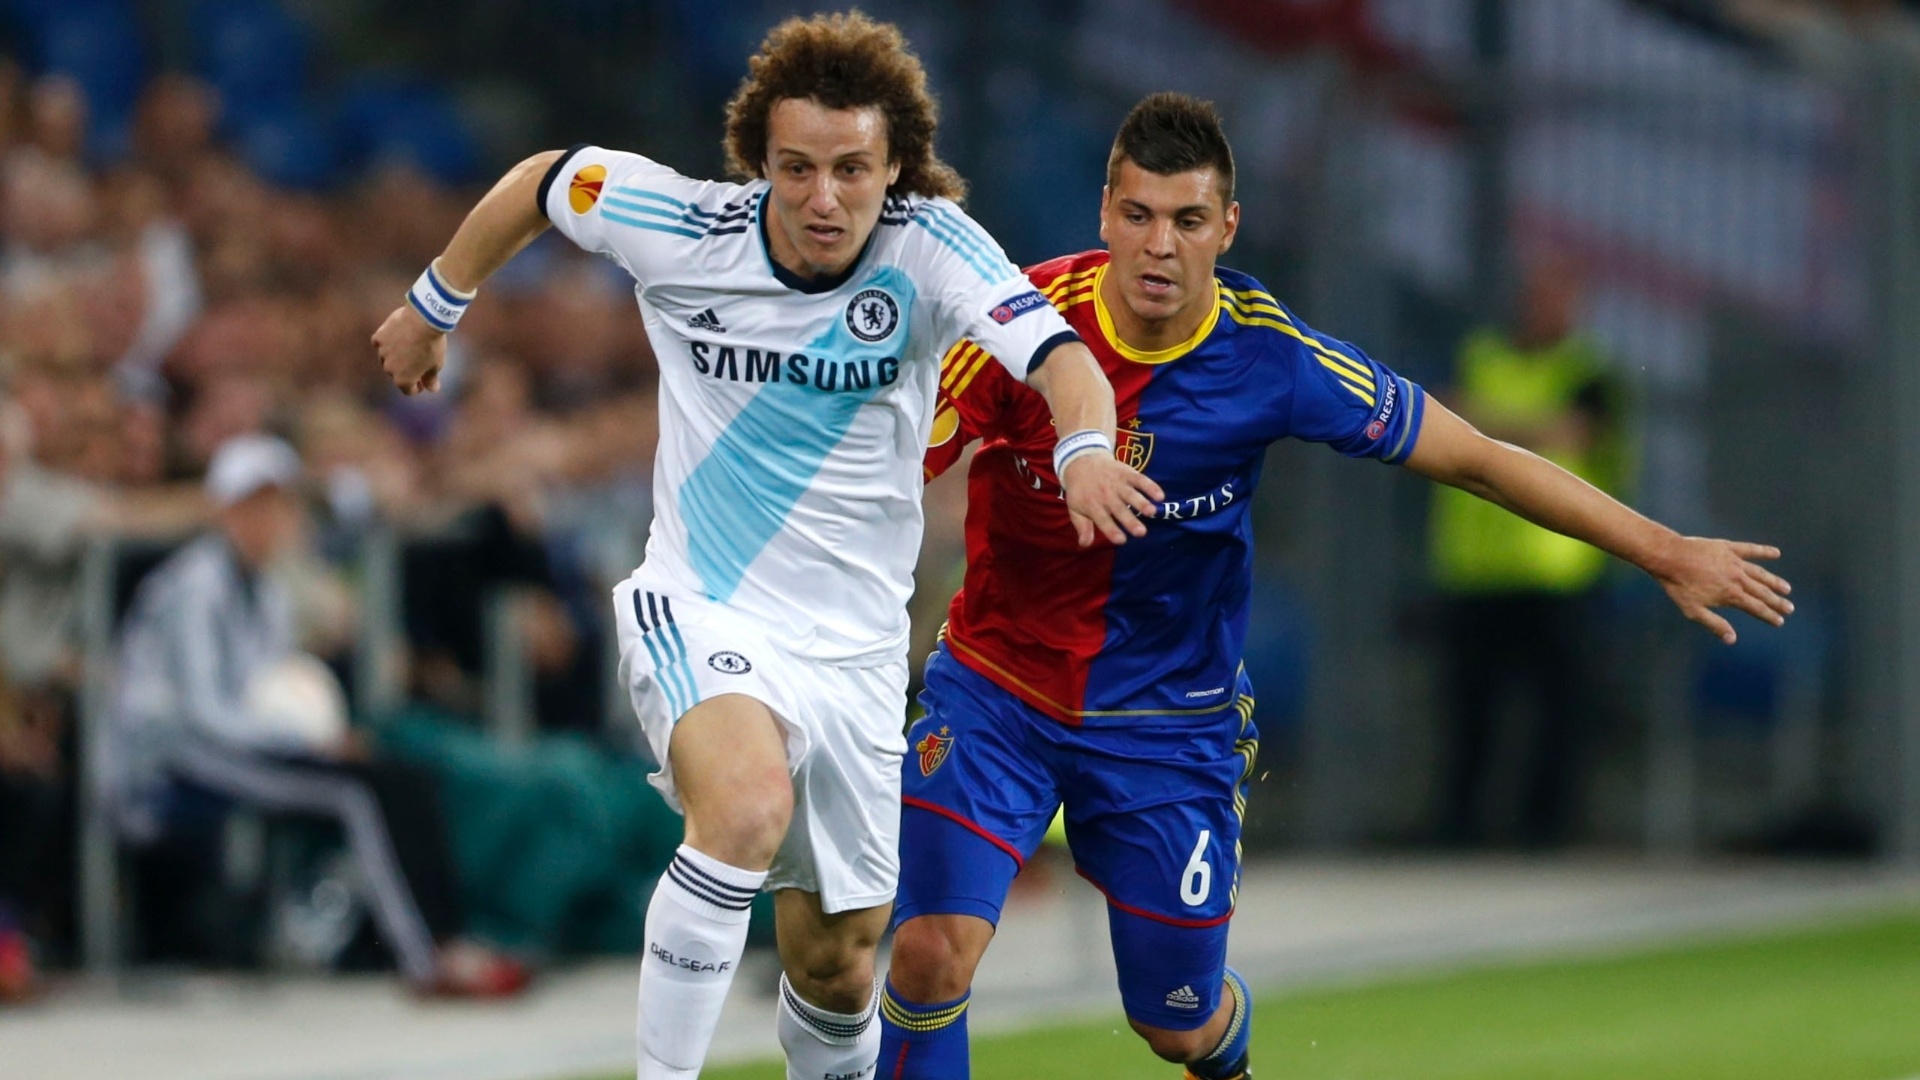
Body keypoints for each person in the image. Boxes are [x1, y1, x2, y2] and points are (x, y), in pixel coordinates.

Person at [877, 93, 1793, 1080]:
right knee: (929, 953)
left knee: (1177, 1023)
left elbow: (1477, 458)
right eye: (1137, 215)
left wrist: (1664, 550)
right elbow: (883, 470)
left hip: (1168, 724)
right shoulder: (1020, 325)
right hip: (997, 692)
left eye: (1188, 220)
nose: (1159, 246)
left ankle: (1222, 1053)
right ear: (1105, 212)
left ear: (1228, 227)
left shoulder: (1272, 357)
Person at [369, 13, 1160, 1080]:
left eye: (851, 170)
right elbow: (547, 180)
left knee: (839, 964)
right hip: (704, 604)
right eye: (797, 168)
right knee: (742, 811)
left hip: (858, 653)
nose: (823, 197)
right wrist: (435, 303)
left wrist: (1083, 450)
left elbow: (1061, 357)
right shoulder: (684, 226)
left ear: (894, 167)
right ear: (760, 160)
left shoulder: (931, 245)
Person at [108, 434, 527, 996]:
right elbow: (203, 712)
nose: (268, 520)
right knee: (356, 792)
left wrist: (311, 737)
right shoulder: (194, 586)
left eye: (277, 506)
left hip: (240, 742)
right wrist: (303, 741)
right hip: (175, 756)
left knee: (402, 778)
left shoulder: (267, 588)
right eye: (253, 506)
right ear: (225, 511)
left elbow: (267, 685)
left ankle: (454, 938)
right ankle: (428, 957)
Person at [1427, 255, 1626, 848]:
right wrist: (1527, 430)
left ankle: (1548, 833)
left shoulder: (1591, 371)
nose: (1542, 308)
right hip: (1475, 572)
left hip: (1558, 573)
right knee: (1469, 713)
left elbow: (1575, 434)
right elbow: (1435, 414)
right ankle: (1461, 830)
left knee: (1561, 715)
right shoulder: (1481, 355)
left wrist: (1481, 434)